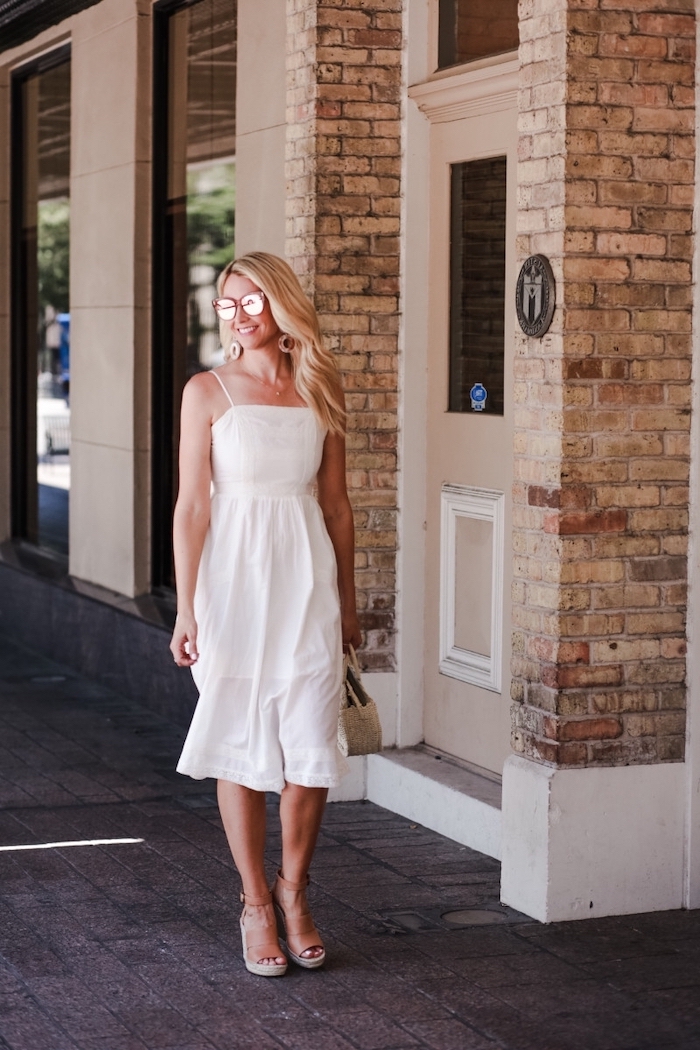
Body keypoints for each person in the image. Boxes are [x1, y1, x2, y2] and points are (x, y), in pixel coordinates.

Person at [169, 252, 361, 978]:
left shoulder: (321, 384)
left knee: (311, 742)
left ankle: (296, 891)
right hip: (232, 585)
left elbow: (338, 505)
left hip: (307, 579)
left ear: (283, 306)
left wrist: (347, 601)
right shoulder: (207, 390)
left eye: (252, 301)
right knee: (244, 744)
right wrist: (186, 608)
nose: (240, 314)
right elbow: (191, 506)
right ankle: (255, 903)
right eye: (228, 303)